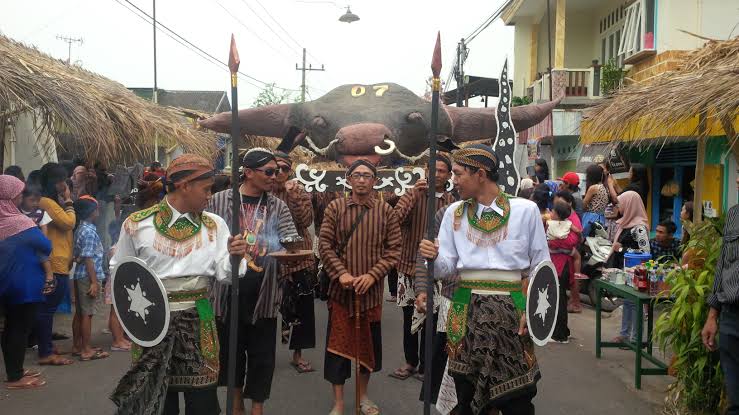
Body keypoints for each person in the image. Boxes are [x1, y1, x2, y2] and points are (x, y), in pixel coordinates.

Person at [110, 154, 248, 415]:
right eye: (206, 189)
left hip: (201, 313)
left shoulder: (215, 225)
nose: (210, 196)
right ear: (185, 185)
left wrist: (235, 256)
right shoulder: (137, 224)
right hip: (151, 320)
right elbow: (120, 271)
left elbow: (227, 275)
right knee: (159, 402)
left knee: (204, 402)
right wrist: (132, 318)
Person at [419, 144, 549, 415]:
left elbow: (541, 267)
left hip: (513, 313)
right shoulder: (453, 213)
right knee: (466, 397)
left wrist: (533, 311)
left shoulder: (525, 211)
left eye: (457, 173)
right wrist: (432, 258)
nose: (453, 180)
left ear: (480, 173)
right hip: (465, 310)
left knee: (518, 400)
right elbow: (445, 269)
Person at [207, 148, 300, 415]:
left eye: (279, 171)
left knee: (262, 357)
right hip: (227, 292)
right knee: (231, 353)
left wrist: (291, 250)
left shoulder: (277, 205)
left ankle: (257, 408)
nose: (276, 176)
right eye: (269, 172)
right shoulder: (219, 201)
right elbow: (207, 241)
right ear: (248, 172)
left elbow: (290, 238)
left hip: (265, 292)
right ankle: (236, 406)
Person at [319, 159, 402, 415]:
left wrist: (373, 275)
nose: (362, 180)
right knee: (338, 350)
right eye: (357, 175)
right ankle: (339, 402)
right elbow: (324, 245)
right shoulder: (335, 207)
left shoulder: (386, 211)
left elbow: (394, 249)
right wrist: (341, 273)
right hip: (341, 293)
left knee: (368, 347)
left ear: (375, 181)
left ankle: (363, 396)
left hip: (371, 294)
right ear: (349, 179)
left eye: (367, 175)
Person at [390, 152, 455, 381]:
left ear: (448, 175)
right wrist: (413, 196)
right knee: (409, 315)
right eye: (432, 170)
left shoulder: (453, 201)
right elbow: (396, 220)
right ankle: (410, 361)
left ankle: (427, 365)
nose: (436, 174)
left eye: (441, 171)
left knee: (433, 318)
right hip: (409, 265)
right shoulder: (414, 193)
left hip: (438, 270)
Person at [0, 175, 50, 389]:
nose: (21, 196)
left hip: (6, 284)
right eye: (19, 193)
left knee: (10, 328)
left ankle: (15, 370)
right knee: (19, 329)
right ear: (10, 196)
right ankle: (15, 377)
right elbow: (45, 245)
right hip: (24, 285)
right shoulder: (19, 222)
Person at [271, 150, 317, 374]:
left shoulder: (299, 191)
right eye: (275, 168)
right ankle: (263, 352)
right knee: (269, 307)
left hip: (299, 258)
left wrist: (295, 196)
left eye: (284, 168)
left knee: (302, 309)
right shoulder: (263, 190)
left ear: (290, 171)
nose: (279, 172)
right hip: (270, 258)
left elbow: (306, 221)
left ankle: (298, 354)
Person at [701, 176, 739, 415]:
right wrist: (712, 315)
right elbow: (723, 265)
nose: (736, 178)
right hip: (731, 319)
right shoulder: (734, 215)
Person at [35, 162, 76, 366]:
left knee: (46, 309)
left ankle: (46, 346)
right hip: (55, 261)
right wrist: (68, 201)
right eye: (60, 180)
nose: (63, 184)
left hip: (59, 259)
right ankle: (45, 351)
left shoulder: (47, 202)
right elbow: (68, 223)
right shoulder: (46, 203)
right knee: (47, 310)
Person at [608, 191, 650, 346]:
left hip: (636, 274)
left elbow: (646, 252)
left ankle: (635, 338)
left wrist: (622, 249)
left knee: (634, 304)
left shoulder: (639, 228)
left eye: (621, 203)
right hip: (626, 272)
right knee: (627, 302)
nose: (619, 207)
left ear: (630, 205)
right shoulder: (626, 223)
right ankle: (625, 335)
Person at [69, 196, 108, 361]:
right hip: (88, 276)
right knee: (87, 314)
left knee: (79, 313)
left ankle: (78, 346)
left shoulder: (80, 229)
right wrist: (93, 282)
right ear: (91, 212)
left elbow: (79, 256)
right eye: (96, 209)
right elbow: (89, 259)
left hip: (80, 274)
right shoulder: (90, 231)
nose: (98, 212)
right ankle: (86, 349)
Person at [546, 201, 578, 342]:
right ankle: (564, 330)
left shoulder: (551, 227)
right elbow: (573, 242)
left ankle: (560, 336)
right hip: (563, 266)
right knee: (561, 299)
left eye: (553, 211)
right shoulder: (570, 229)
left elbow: (566, 243)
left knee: (558, 300)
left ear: (557, 214)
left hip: (560, 267)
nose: (550, 213)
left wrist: (553, 242)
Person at [553, 191, 585, 313]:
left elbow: (572, 241)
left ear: (569, 203)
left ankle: (574, 303)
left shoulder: (572, 220)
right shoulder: (563, 221)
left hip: (568, 259)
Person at [582, 164, 609, 237]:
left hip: (591, 218)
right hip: (601, 218)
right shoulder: (604, 187)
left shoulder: (593, 188)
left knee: (586, 239)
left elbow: (583, 205)